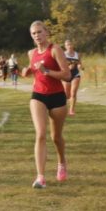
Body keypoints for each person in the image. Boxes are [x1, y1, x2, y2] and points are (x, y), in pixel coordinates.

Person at [22, 21, 70, 189]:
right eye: (34, 33)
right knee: (40, 133)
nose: (37, 35)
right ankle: (40, 177)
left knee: (56, 137)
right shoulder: (31, 52)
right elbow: (33, 68)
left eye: (39, 32)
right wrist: (27, 71)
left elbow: (67, 75)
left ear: (46, 32)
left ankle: (62, 162)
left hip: (57, 98)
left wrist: (47, 71)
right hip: (38, 96)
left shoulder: (55, 50)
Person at [63, 39, 82, 116]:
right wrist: (68, 67)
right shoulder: (63, 54)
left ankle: (71, 110)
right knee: (67, 95)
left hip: (75, 75)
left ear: (73, 45)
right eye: (68, 45)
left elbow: (80, 64)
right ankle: (64, 108)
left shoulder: (77, 54)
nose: (69, 46)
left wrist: (80, 66)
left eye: (70, 44)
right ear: (65, 46)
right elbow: (60, 66)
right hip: (66, 75)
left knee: (73, 93)